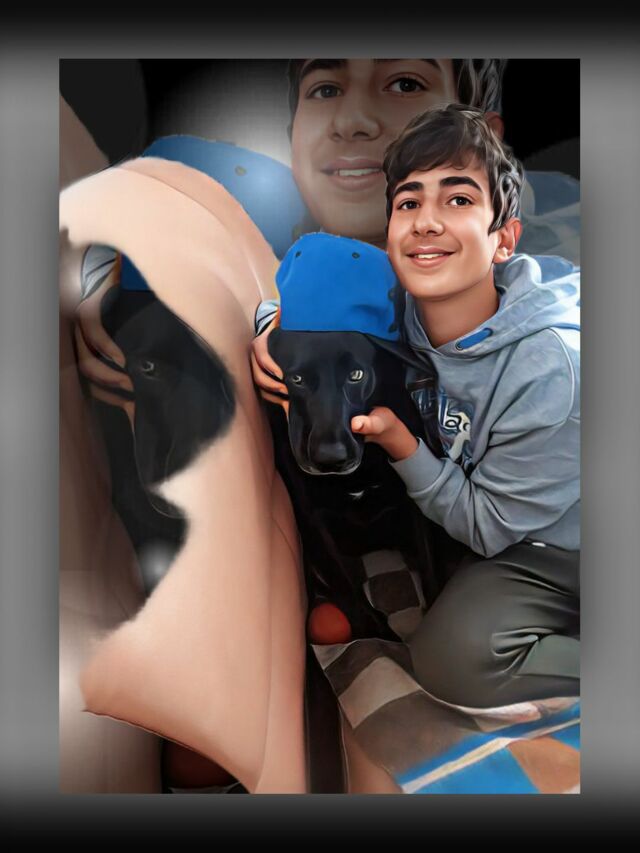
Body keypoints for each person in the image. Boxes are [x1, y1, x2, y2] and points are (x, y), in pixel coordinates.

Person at [253, 104, 580, 710]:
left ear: (504, 240)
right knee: (446, 659)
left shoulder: (550, 366)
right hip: (517, 539)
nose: (427, 222)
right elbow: (322, 305)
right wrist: (268, 332)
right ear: (390, 237)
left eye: (458, 200)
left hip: (571, 544)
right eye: (409, 203)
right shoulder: (404, 313)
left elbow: (487, 528)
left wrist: (400, 443)